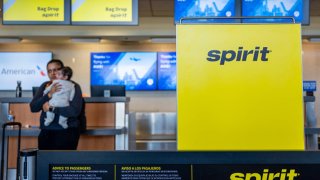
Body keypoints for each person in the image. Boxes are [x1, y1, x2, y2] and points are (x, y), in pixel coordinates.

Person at [30, 59, 83, 150]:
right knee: (44, 163)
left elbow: (74, 111)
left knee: (64, 164)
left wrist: (51, 108)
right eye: (49, 71)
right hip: (46, 131)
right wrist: (49, 94)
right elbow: (33, 107)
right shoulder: (45, 85)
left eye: (55, 70)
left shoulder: (73, 86)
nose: (53, 73)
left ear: (63, 70)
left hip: (67, 132)